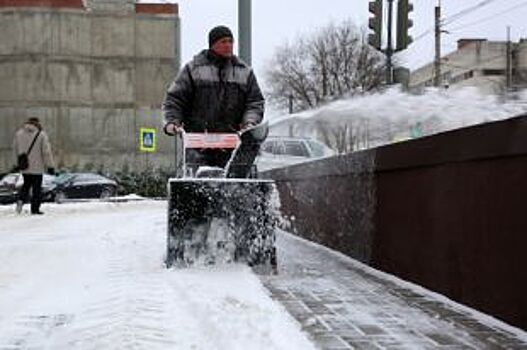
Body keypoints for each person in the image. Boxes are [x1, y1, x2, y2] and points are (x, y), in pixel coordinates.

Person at [162, 25, 265, 169]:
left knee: (234, 184)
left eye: (230, 41)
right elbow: (175, 99)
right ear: (213, 44)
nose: (228, 45)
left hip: (232, 145)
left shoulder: (244, 72)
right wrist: (172, 122)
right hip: (197, 145)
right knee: (196, 184)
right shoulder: (193, 70)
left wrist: (249, 123)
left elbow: (255, 102)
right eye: (223, 41)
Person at [12, 117, 55, 215]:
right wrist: (50, 166)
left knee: (26, 186)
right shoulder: (41, 134)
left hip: (25, 166)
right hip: (38, 168)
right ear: (37, 123)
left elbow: (15, 149)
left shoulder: (19, 134)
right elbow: (46, 152)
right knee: (36, 189)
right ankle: (35, 209)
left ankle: (20, 200)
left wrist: (16, 164)